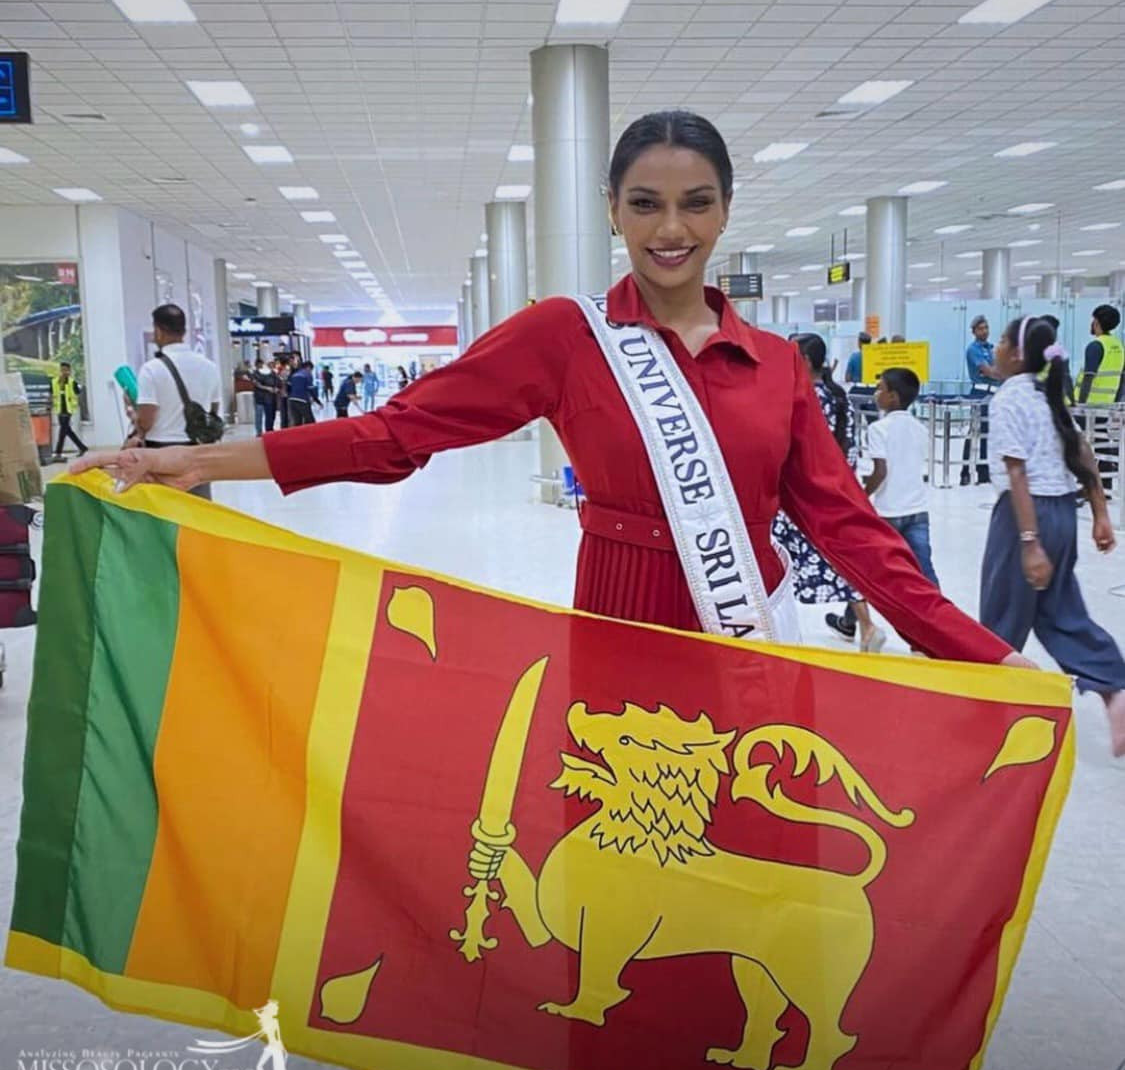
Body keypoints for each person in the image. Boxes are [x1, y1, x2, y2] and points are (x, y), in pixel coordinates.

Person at [74, 109, 1028, 672]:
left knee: (751, 875)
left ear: (726, 211)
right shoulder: (566, 336)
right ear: (612, 209)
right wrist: (191, 459)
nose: (670, 228)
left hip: (749, 635)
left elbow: (851, 530)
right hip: (618, 630)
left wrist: (984, 658)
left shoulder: (775, 364)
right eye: (645, 203)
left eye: (695, 203)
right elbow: (393, 435)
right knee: (615, 894)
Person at [981, 315, 1125, 755]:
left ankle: (986, 713)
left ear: (1018, 353)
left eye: (1003, 342)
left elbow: (1017, 471)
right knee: (1059, 612)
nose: (997, 349)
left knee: (1003, 616)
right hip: (1063, 510)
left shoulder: (1009, 399)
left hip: (1028, 515)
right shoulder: (1050, 393)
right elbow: (1083, 453)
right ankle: (1115, 687)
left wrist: (1029, 542)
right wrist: (1101, 513)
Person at [774, 334, 885, 653]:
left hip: (800, 497)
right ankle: (866, 625)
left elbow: (791, 448)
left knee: (778, 559)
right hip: (834, 493)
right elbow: (848, 448)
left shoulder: (805, 398)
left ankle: (780, 631)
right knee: (838, 560)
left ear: (805, 361)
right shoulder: (840, 398)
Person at [132, 303, 221, 500]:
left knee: (165, 512)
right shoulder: (209, 367)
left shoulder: (151, 369)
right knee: (198, 511)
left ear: (158, 331)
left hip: (162, 452)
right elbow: (213, 409)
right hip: (199, 450)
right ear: (184, 330)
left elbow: (146, 420)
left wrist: (133, 416)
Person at [863, 368, 938, 588]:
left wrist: (863, 494)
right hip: (918, 509)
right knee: (925, 569)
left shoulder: (878, 429)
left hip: (889, 511)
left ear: (893, 396)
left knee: (873, 568)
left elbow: (881, 472)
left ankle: (855, 618)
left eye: (880, 389)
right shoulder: (920, 428)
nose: (876, 394)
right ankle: (939, 617)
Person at [961, 315, 998, 486]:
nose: (984, 331)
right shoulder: (973, 349)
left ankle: (984, 470)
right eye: (981, 328)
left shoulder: (992, 348)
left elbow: (996, 371)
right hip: (980, 393)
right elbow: (988, 371)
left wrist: (995, 372)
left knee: (988, 434)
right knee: (975, 432)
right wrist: (994, 372)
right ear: (974, 331)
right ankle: (965, 470)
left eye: (986, 327)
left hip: (995, 394)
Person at [1075, 304, 1124, 406]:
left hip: (1089, 409)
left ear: (1097, 323)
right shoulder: (1120, 347)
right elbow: (1122, 380)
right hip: (1107, 409)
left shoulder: (1095, 346)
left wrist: (1080, 406)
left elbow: (1088, 379)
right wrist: (1116, 405)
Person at [51, 361, 87, 462]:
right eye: (62, 370)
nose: (64, 372)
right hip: (59, 410)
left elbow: (78, 392)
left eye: (66, 370)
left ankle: (58, 452)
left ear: (69, 371)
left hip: (68, 410)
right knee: (68, 431)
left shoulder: (72, 382)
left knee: (62, 431)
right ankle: (82, 447)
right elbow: (52, 393)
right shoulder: (55, 382)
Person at [287, 359, 320, 427]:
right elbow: (311, 389)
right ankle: (313, 436)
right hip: (302, 400)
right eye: (311, 369)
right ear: (308, 367)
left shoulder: (294, 375)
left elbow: (288, 386)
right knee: (310, 420)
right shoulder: (307, 375)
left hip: (292, 399)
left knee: (297, 421)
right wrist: (317, 401)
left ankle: (298, 436)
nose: (311, 371)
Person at [252, 359, 279, 437]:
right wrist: (268, 388)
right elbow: (257, 384)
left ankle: (269, 430)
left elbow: (276, 382)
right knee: (259, 415)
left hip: (269, 398)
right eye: (259, 365)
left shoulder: (272, 373)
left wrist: (275, 388)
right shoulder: (255, 374)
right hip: (259, 398)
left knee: (270, 415)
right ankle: (259, 432)